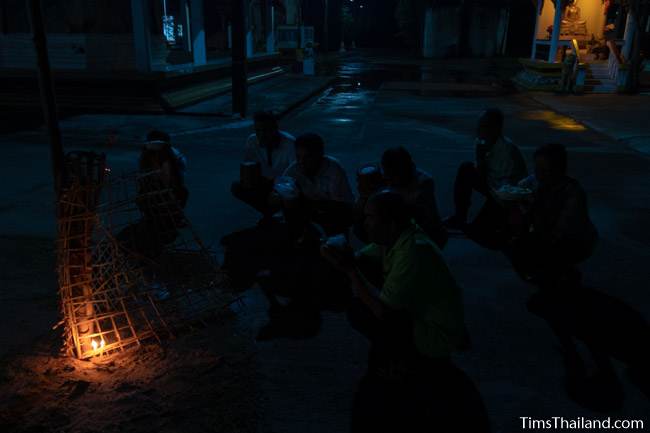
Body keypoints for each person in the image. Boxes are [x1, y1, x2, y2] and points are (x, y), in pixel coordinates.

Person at [322, 190, 490, 433]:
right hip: (423, 314)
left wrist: (349, 271)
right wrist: (334, 249)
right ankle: (399, 354)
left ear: (389, 223)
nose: (364, 223)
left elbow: (383, 311)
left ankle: (407, 360)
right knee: (361, 287)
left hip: (435, 334)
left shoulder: (412, 250)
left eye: (370, 217)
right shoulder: (395, 239)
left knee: (361, 309)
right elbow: (361, 258)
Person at [507, 143, 598, 290]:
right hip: (547, 232)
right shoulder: (537, 181)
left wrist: (533, 208)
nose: (539, 174)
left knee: (548, 252)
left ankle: (561, 275)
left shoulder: (572, 193)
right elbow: (519, 187)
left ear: (559, 170)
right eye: (537, 169)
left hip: (575, 241)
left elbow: (558, 233)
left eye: (545, 170)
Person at [444, 108, 527, 249]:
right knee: (466, 169)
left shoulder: (506, 152)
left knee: (479, 232)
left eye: (484, 126)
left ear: (496, 129)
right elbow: (481, 173)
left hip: (506, 195)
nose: (479, 130)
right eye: (480, 125)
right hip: (493, 184)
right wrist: (480, 159)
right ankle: (460, 216)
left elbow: (507, 189)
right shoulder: (484, 143)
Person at [355, 146, 447, 249]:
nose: (388, 178)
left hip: (423, 231)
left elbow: (410, 214)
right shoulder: (388, 177)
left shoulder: (423, 183)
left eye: (391, 176)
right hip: (401, 227)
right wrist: (366, 194)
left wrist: (383, 191)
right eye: (386, 174)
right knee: (363, 222)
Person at [279, 132, 354, 238]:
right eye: (298, 157)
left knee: (336, 219)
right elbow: (283, 188)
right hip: (312, 208)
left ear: (320, 154)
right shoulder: (294, 169)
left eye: (307, 157)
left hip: (337, 209)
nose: (301, 162)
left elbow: (338, 204)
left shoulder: (334, 169)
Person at [231, 111, 295, 218]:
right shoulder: (252, 140)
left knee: (287, 195)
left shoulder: (290, 144)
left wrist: (278, 189)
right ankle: (269, 212)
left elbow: (295, 175)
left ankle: (285, 213)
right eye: (258, 130)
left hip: (285, 185)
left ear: (275, 129)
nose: (261, 135)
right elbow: (248, 166)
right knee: (237, 186)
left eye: (265, 130)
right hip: (265, 180)